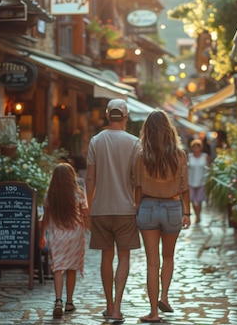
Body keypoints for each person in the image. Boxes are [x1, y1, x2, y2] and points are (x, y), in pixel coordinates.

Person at [85, 99, 141, 322]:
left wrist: (89, 207)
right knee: (124, 258)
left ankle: (108, 305)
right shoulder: (135, 143)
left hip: (100, 209)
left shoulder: (95, 141)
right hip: (126, 209)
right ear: (125, 117)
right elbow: (137, 180)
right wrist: (136, 205)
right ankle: (117, 308)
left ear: (108, 116)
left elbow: (90, 177)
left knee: (106, 258)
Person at [134, 110, 191, 323]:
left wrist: (136, 209)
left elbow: (137, 187)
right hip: (173, 207)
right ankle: (164, 297)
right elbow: (185, 187)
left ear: (147, 130)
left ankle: (153, 313)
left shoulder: (142, 155)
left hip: (147, 206)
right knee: (168, 256)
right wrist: (187, 212)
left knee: (151, 262)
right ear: (169, 129)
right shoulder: (180, 154)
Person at [39, 163, 89, 318]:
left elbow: (46, 218)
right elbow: (85, 214)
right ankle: (69, 302)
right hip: (74, 235)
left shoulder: (49, 195)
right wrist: (92, 230)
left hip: (56, 235)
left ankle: (58, 301)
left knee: (58, 268)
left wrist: (42, 235)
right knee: (72, 268)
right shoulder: (78, 194)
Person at [188, 138, 210, 224]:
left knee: (199, 200)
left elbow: (209, 167)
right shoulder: (189, 157)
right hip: (191, 181)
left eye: (198, 147)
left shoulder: (205, 156)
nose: (196, 148)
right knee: (193, 200)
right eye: (194, 147)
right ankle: (196, 214)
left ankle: (198, 215)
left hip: (202, 181)